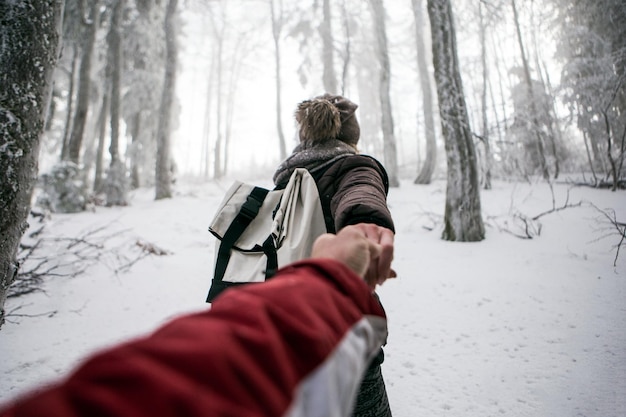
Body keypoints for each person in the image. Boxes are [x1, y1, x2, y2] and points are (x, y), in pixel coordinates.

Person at [0, 225, 393, 417]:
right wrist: (333, 273)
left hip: (325, 325)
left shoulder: (291, 169)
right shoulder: (354, 165)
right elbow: (199, 377)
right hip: (334, 321)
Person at [274, 93, 396, 416]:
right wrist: (365, 227)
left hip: (285, 335)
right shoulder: (355, 166)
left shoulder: (284, 181)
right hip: (345, 332)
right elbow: (361, 192)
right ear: (349, 139)